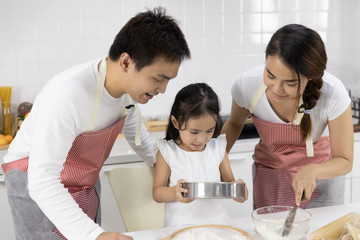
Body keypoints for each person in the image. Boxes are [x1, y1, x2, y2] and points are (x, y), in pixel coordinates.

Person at [1, 7, 190, 240]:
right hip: (35, 184)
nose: (163, 90)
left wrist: (180, 169)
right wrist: (95, 235)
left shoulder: (127, 95)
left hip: (83, 185)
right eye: (158, 79)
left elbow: (141, 142)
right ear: (126, 62)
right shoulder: (67, 97)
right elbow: (42, 181)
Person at [222, 24, 353, 210]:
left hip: (320, 179)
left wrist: (312, 170)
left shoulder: (333, 93)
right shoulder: (246, 85)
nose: (276, 88)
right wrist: (213, 160)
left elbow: (345, 161)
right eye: (270, 75)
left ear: (310, 77)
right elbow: (234, 123)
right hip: (271, 177)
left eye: (290, 83)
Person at [152, 83, 248, 227]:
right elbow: (157, 193)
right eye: (194, 132)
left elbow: (229, 183)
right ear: (175, 122)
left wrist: (238, 191)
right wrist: (175, 191)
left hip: (219, 224)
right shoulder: (168, 151)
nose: (202, 139)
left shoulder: (218, 148)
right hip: (181, 227)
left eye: (209, 130)